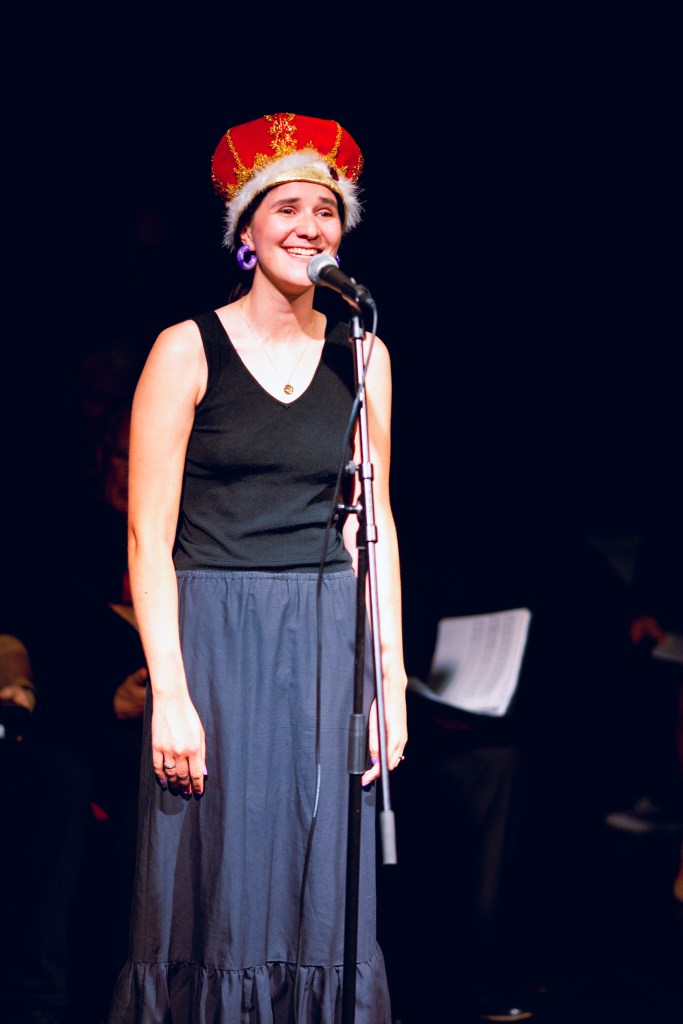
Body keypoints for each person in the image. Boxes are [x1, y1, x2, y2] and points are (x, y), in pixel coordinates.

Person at [106, 112, 408, 1024]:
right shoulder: (185, 348)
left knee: (318, 885)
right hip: (216, 636)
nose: (309, 227)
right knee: (217, 881)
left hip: (324, 635)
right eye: (286, 208)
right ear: (246, 229)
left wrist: (387, 680)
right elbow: (146, 537)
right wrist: (170, 692)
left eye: (326, 209)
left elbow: (373, 526)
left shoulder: (363, 353)